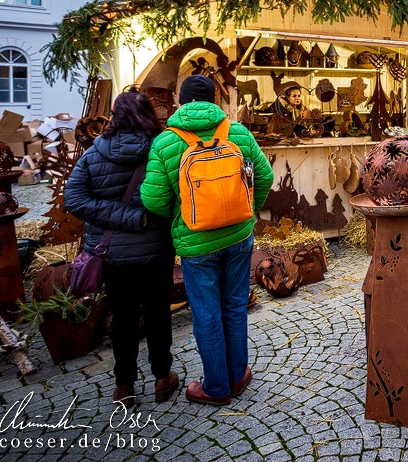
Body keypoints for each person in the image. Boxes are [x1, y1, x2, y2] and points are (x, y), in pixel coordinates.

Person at [141, 75, 274, 405]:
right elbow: (266, 176)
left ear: (180, 101)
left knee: (207, 313)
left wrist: (183, 211)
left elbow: (154, 200)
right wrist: (248, 211)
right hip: (239, 238)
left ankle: (216, 387)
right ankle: (238, 374)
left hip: (196, 242)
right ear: (214, 100)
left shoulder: (166, 142)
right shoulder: (236, 132)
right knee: (234, 305)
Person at [64, 89, 178, 409]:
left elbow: (74, 200)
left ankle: (124, 387)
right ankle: (162, 377)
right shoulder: (160, 151)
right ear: (147, 114)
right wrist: (136, 217)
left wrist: (119, 218)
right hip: (155, 249)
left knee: (123, 319)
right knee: (158, 315)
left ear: (115, 116)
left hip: (113, 255)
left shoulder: (94, 153)